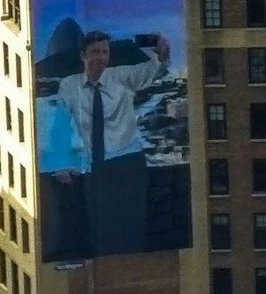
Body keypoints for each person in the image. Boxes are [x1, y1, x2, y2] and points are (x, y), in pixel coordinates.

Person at [41, 27, 171, 257]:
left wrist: (161, 56)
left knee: (130, 230)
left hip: (128, 162)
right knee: (100, 232)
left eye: (104, 52)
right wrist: (61, 163)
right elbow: (60, 126)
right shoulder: (69, 86)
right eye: (95, 52)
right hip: (96, 167)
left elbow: (152, 70)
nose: (100, 58)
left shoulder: (120, 77)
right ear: (83, 55)